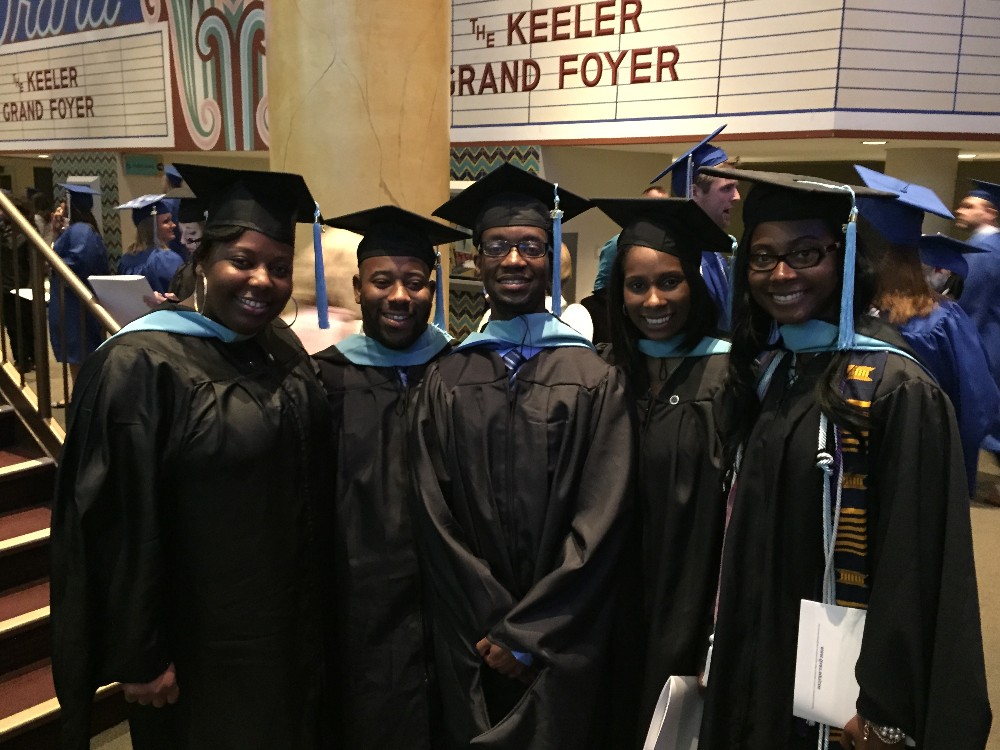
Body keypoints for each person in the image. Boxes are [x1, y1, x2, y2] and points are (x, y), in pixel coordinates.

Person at [697, 166, 990, 749]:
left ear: (846, 254)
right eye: (762, 257)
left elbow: (915, 560)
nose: (781, 273)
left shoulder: (893, 386)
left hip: (843, 693)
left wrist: (885, 706)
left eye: (806, 253)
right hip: (760, 657)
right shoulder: (772, 371)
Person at [50, 164, 334, 750]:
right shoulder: (139, 365)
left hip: (283, 629)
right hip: (194, 649)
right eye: (243, 261)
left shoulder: (277, 347)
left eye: (279, 268)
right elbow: (115, 519)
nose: (262, 281)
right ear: (202, 260)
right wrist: (140, 651)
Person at [410, 164, 634, 749]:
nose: (513, 261)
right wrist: (492, 625)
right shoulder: (446, 376)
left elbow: (602, 519)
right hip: (471, 637)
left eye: (530, 246)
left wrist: (526, 634)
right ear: (475, 259)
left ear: (554, 254)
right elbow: (434, 514)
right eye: (497, 247)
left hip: (561, 640)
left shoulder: (595, 377)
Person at [313, 205, 468, 748]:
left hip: (451, 604)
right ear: (358, 288)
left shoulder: (460, 371)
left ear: (433, 289)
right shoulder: (323, 378)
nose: (399, 296)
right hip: (360, 602)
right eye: (382, 281)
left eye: (414, 282)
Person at [596, 196, 737, 745]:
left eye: (671, 282)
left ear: (695, 285)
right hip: (609, 605)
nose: (653, 300)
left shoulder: (731, 376)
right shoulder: (603, 371)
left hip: (690, 602)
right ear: (619, 291)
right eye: (637, 286)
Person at [854, 166, 1000, 499]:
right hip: (894, 472)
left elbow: (978, 406)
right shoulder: (939, 319)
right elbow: (978, 405)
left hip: (892, 472)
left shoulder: (937, 321)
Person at [650, 124, 740, 324]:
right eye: (727, 188)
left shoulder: (713, 251)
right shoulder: (673, 254)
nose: (737, 197)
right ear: (695, 192)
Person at [585, 184, 669, 345]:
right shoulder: (617, 243)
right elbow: (601, 286)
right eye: (651, 206)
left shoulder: (670, 244)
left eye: (662, 207)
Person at [954, 179, 1000, 466]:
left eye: (970, 206)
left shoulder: (984, 251)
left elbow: (972, 306)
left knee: (982, 415)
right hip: (991, 338)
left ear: (989, 213)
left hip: (984, 341)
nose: (960, 210)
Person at [48, 183, 110, 379]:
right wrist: (56, 233)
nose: (61, 209)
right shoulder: (78, 230)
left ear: (71, 206)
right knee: (80, 364)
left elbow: (76, 264)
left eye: (64, 204)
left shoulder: (81, 230)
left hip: (76, 308)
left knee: (83, 365)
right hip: (71, 306)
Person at [115, 195, 183, 293]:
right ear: (151, 227)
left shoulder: (126, 259)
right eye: (166, 221)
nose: (173, 225)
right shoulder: (166, 259)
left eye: (171, 220)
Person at [0, 196, 37, 371]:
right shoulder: (4, 231)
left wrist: (31, 286)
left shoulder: (27, 232)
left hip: (22, 285)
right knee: (12, 326)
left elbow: (28, 258)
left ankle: (31, 357)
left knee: (26, 324)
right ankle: (20, 358)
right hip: (6, 285)